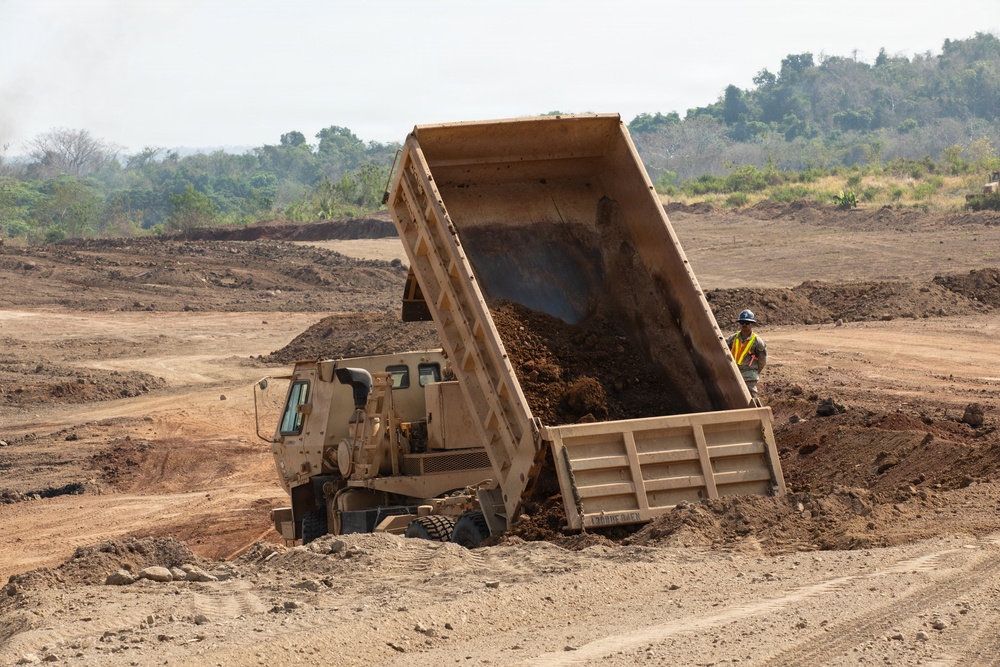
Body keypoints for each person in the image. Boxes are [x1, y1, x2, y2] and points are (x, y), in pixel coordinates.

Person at [726, 309, 767, 400]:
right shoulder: (733, 338)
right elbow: (723, 350)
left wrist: (754, 371)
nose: (744, 324)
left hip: (749, 375)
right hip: (734, 373)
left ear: (752, 324)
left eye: (747, 322)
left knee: (751, 399)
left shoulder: (757, 341)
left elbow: (762, 360)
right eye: (742, 322)